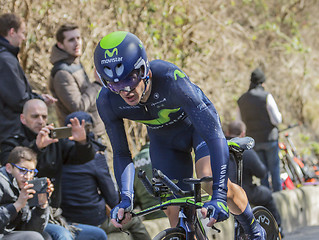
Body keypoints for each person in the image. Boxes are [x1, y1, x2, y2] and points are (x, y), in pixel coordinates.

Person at [94, 31, 266, 239]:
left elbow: (214, 137)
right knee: (173, 207)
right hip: (164, 141)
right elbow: (122, 153)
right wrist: (126, 199)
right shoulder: (107, 100)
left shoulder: (170, 79)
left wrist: (219, 195)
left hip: (198, 131)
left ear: (143, 70)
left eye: (129, 80)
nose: (125, 91)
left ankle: (254, 230)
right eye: (114, 85)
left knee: (208, 181)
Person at [0, 99, 107, 240]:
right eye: (35, 116)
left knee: (99, 235)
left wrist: (82, 142)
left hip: (53, 212)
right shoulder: (11, 141)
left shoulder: (53, 141)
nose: (41, 121)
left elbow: (79, 159)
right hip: (23, 217)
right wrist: (36, 147)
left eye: (44, 116)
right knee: (62, 236)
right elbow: (10, 166)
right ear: (23, 118)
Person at [61, 111, 151, 240]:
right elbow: (112, 197)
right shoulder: (94, 155)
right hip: (93, 221)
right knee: (135, 221)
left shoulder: (57, 153)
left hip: (67, 219)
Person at [0, 13, 56, 145]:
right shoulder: (5, 60)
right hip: (11, 131)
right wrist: (40, 100)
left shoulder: (7, 57)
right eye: (23, 33)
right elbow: (18, 99)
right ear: (12, 32)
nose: (24, 38)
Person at [226, 121, 283, 237]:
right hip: (245, 192)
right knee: (267, 194)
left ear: (227, 132)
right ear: (243, 134)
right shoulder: (244, 150)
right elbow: (262, 173)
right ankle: (278, 229)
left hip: (222, 192)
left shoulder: (218, 148)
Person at [49, 23, 104, 138]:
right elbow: (78, 107)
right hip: (80, 138)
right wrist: (97, 83)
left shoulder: (75, 63)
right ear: (60, 45)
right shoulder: (62, 73)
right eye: (71, 40)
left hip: (93, 133)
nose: (77, 43)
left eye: (78, 38)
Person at [237, 68, 282, 192]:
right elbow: (276, 119)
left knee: (263, 172)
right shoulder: (266, 96)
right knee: (275, 170)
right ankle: (278, 196)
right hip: (270, 139)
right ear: (262, 82)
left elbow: (240, 122)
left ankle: (266, 199)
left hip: (254, 140)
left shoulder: (242, 100)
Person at [0, 146, 53, 240]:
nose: (27, 176)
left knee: (46, 236)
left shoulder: (29, 185)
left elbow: (33, 229)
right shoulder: (1, 182)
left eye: (32, 172)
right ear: (9, 168)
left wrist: (42, 205)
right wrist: (17, 205)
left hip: (11, 233)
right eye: (22, 170)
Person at [132, 141, 166, 220]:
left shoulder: (134, 160)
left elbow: (134, 196)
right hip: (168, 211)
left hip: (149, 213)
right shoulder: (163, 153)